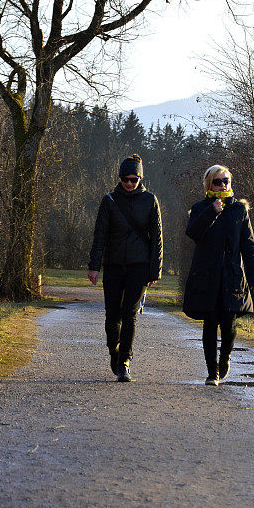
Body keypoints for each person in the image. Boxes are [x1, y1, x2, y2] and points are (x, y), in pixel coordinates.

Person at [183, 165, 254, 386]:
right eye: (217, 182)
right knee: (210, 323)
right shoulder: (200, 208)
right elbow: (193, 233)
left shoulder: (239, 210)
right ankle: (212, 372)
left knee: (228, 324)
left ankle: (225, 358)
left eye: (226, 180)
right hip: (207, 276)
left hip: (232, 276)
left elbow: (249, 247)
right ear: (209, 184)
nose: (222, 185)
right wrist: (212, 211)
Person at [88, 154, 163, 382]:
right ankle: (114, 349)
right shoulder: (109, 200)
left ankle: (124, 362)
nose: (129, 184)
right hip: (113, 264)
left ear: (140, 178)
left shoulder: (150, 200)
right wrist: (94, 266)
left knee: (129, 314)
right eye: (125, 179)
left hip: (139, 266)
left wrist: (155, 269)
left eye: (133, 179)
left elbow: (157, 237)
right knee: (112, 315)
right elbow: (99, 234)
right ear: (119, 178)